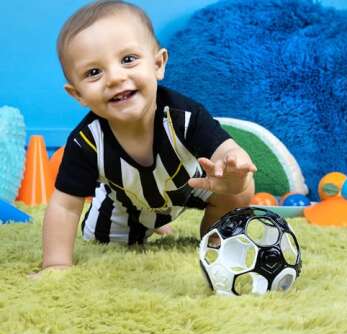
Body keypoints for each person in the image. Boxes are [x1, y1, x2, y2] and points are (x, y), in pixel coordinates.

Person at [41, 0, 257, 272]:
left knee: (241, 189)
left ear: (158, 64)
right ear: (78, 94)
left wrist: (233, 166)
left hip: (189, 183)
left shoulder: (185, 117)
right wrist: (56, 263)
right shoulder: (86, 141)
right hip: (126, 203)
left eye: (128, 59)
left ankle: (213, 241)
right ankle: (148, 220)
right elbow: (65, 206)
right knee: (103, 240)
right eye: (94, 72)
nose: (116, 78)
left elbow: (226, 150)